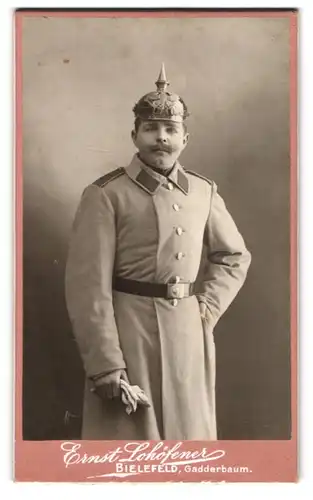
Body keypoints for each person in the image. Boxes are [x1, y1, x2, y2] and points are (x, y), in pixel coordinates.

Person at [65, 64, 251, 440]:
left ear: (186, 138)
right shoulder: (105, 195)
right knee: (128, 446)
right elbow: (87, 288)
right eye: (150, 128)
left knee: (189, 443)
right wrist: (105, 365)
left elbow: (233, 257)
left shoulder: (203, 192)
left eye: (171, 129)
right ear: (134, 135)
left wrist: (205, 310)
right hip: (127, 333)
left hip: (187, 333)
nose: (161, 138)